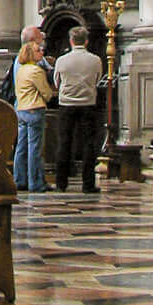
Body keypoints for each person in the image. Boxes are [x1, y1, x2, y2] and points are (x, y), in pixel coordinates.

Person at [53, 26, 104, 192]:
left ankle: (61, 183)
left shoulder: (62, 60)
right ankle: (88, 184)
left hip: (66, 104)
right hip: (87, 104)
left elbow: (56, 82)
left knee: (64, 142)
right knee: (89, 144)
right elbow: (98, 79)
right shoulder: (95, 60)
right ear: (86, 41)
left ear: (71, 41)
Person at [13, 39, 53, 192]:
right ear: (30, 53)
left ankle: (19, 179)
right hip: (34, 109)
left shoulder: (21, 69)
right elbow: (46, 92)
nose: (41, 52)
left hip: (22, 110)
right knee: (35, 149)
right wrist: (49, 95)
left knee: (21, 147)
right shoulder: (35, 70)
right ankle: (35, 183)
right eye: (38, 50)